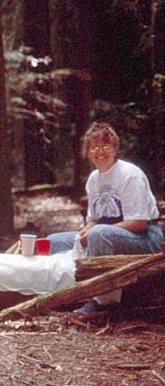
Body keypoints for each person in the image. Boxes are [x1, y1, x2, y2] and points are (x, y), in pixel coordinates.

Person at [48, 122, 163, 313]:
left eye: (105, 146)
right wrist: (88, 227)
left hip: (145, 238)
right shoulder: (94, 178)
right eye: (94, 147)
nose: (100, 151)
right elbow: (94, 218)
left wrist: (95, 230)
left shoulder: (129, 175)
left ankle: (103, 302)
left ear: (115, 149)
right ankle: (61, 293)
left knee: (99, 234)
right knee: (55, 241)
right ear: (88, 152)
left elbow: (139, 222)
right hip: (107, 232)